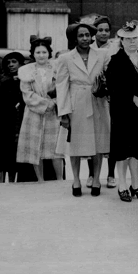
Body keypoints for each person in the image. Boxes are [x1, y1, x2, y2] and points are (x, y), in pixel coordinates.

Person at [56, 22, 111, 197]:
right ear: (74, 38)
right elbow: (62, 86)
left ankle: (96, 180)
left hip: (97, 101)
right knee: (75, 145)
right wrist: (64, 113)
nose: (85, 38)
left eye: (88, 35)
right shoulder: (65, 58)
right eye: (81, 35)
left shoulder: (102, 54)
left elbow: (110, 76)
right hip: (76, 103)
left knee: (97, 143)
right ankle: (76, 181)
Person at [105, 21, 138, 202]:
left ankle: (136, 184)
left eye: (135, 38)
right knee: (122, 150)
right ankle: (122, 185)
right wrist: (132, 97)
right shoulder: (116, 61)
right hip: (123, 112)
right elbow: (113, 87)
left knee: (136, 150)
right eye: (128, 39)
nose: (132, 42)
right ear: (121, 41)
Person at [16, 37, 62, 182]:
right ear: (33, 54)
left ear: (49, 53)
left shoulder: (57, 69)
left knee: (56, 148)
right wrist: (44, 103)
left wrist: (54, 102)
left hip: (53, 113)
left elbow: (62, 88)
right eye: (38, 52)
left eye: (44, 52)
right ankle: (40, 179)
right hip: (34, 113)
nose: (41, 55)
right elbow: (27, 94)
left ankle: (60, 179)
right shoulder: (26, 71)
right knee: (36, 147)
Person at [88, 14, 118, 189]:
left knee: (110, 135)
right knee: (92, 136)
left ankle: (111, 174)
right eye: (100, 30)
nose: (103, 33)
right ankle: (92, 173)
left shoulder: (114, 48)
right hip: (91, 95)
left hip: (109, 97)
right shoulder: (88, 48)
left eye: (107, 30)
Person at [0, 51, 27, 182]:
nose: (11, 65)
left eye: (14, 62)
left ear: (21, 63)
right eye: (8, 63)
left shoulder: (27, 78)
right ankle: (10, 181)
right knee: (10, 152)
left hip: (25, 116)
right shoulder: (4, 80)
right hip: (9, 120)